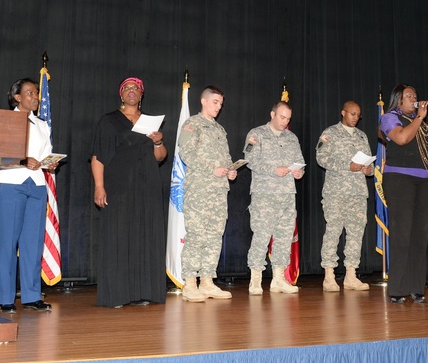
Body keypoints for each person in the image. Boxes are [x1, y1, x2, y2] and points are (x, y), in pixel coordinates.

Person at [90, 77, 168, 307]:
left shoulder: (150, 121)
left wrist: (157, 142)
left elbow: (160, 157)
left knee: (145, 237)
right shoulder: (109, 121)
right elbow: (98, 156)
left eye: (136, 88)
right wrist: (99, 185)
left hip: (148, 188)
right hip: (119, 187)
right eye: (127, 88)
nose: (132, 91)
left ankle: (144, 292)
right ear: (121, 94)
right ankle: (117, 294)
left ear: (141, 94)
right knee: (118, 237)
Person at [378, 84, 428, 303]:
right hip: (399, 180)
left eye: (416, 96)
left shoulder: (424, 127)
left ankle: (416, 286)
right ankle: (397, 289)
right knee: (402, 234)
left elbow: (425, 157)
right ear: (399, 100)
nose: (414, 99)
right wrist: (419, 118)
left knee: (421, 235)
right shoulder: (390, 118)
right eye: (409, 96)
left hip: (423, 180)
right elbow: (401, 139)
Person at [0, 78, 57, 313]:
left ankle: (31, 295)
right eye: (29, 93)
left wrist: (50, 163)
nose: (35, 97)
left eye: (36, 93)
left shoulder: (42, 125)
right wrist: (21, 161)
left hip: (37, 185)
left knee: (33, 243)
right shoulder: (3, 121)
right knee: (8, 242)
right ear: (17, 97)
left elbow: (44, 155)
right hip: (10, 183)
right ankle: (6, 297)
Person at [177, 86, 238, 302]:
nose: (218, 107)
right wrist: (211, 168)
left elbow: (226, 157)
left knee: (214, 235)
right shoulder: (193, 124)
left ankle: (207, 282)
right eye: (215, 102)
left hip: (219, 191)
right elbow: (185, 153)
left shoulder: (220, 130)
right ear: (203, 101)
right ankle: (190, 283)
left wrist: (231, 170)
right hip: (199, 190)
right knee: (197, 235)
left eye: (221, 103)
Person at [244, 101, 305, 295]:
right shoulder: (257, 134)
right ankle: (255, 280)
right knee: (261, 236)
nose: (285, 121)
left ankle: (279, 279)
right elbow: (249, 160)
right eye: (282, 117)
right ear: (272, 114)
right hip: (264, 195)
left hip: (287, 195)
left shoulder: (292, 137)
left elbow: (300, 163)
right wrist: (273, 170)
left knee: (284, 237)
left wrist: (299, 172)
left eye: (288, 118)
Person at [315, 100, 373, 292]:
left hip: (357, 192)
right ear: (343, 113)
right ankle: (329, 275)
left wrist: (367, 169)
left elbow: (371, 167)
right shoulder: (330, 133)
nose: (355, 118)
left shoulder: (362, 136)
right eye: (352, 114)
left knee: (356, 233)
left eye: (358, 115)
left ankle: (350, 275)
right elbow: (321, 158)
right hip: (335, 192)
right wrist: (346, 165)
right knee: (333, 231)